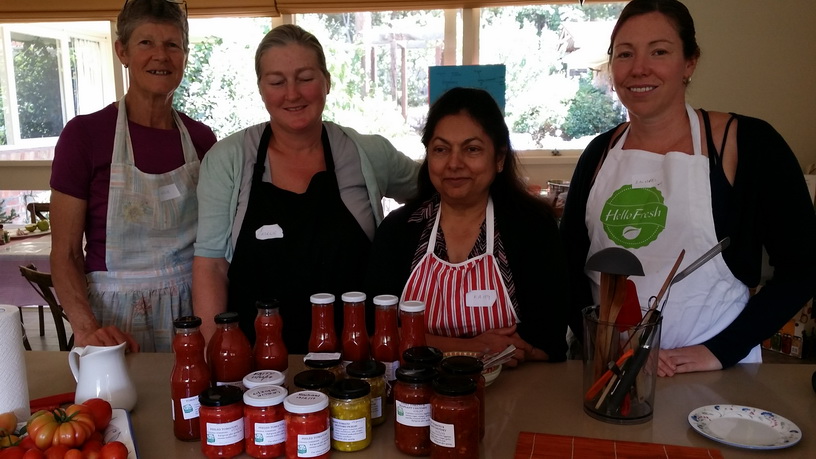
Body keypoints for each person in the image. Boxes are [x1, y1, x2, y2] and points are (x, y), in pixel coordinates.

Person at [561, 0, 816, 376]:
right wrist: (599, 343)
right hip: (612, 371)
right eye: (624, 54)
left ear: (690, 62)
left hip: (717, 376)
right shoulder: (600, 152)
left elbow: (804, 266)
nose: (639, 68)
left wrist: (720, 350)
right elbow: (567, 266)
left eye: (659, 51)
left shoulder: (748, 143)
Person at [192, 24, 419, 353]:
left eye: (305, 77)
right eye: (277, 82)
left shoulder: (367, 153)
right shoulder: (229, 159)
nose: (292, 93)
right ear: (261, 88)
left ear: (327, 81)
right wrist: (219, 354)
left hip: (356, 362)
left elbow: (439, 188)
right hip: (258, 369)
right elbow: (211, 266)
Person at [49, 0, 217, 353]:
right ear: (121, 51)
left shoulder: (202, 140)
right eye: (146, 43)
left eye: (173, 44)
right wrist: (88, 328)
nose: (161, 56)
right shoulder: (85, 136)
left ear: (185, 54)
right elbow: (65, 254)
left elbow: (215, 248)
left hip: (195, 314)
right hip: (113, 321)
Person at [366, 87, 569, 366]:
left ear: (498, 159)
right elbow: (379, 332)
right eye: (441, 149)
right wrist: (472, 347)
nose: (454, 163)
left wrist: (525, 351)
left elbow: (550, 342)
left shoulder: (531, 228)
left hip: (516, 395)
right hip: (417, 393)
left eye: (472, 149)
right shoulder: (400, 230)